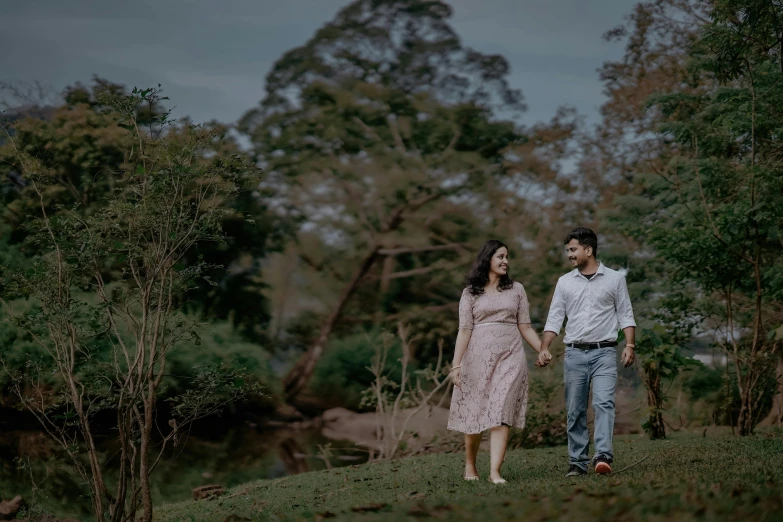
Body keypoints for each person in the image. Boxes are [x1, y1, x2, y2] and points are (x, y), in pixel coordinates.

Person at [447, 240, 552, 484]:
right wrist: (456, 365)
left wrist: (542, 349)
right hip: (477, 358)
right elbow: (464, 330)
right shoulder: (471, 292)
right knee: (475, 413)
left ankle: (495, 472)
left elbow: (524, 326)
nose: (505, 261)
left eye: (507, 257)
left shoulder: (517, 289)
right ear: (488, 259)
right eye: (500, 256)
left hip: (510, 356)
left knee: (502, 411)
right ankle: (471, 464)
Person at [539, 227, 636, 477]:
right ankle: (578, 462)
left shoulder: (615, 279)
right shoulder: (564, 282)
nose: (569, 255)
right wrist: (544, 347)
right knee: (575, 409)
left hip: (605, 352)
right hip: (574, 354)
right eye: (568, 250)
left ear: (588, 250)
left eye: (573, 249)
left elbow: (625, 314)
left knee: (604, 402)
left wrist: (629, 345)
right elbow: (555, 318)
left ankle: (603, 455)